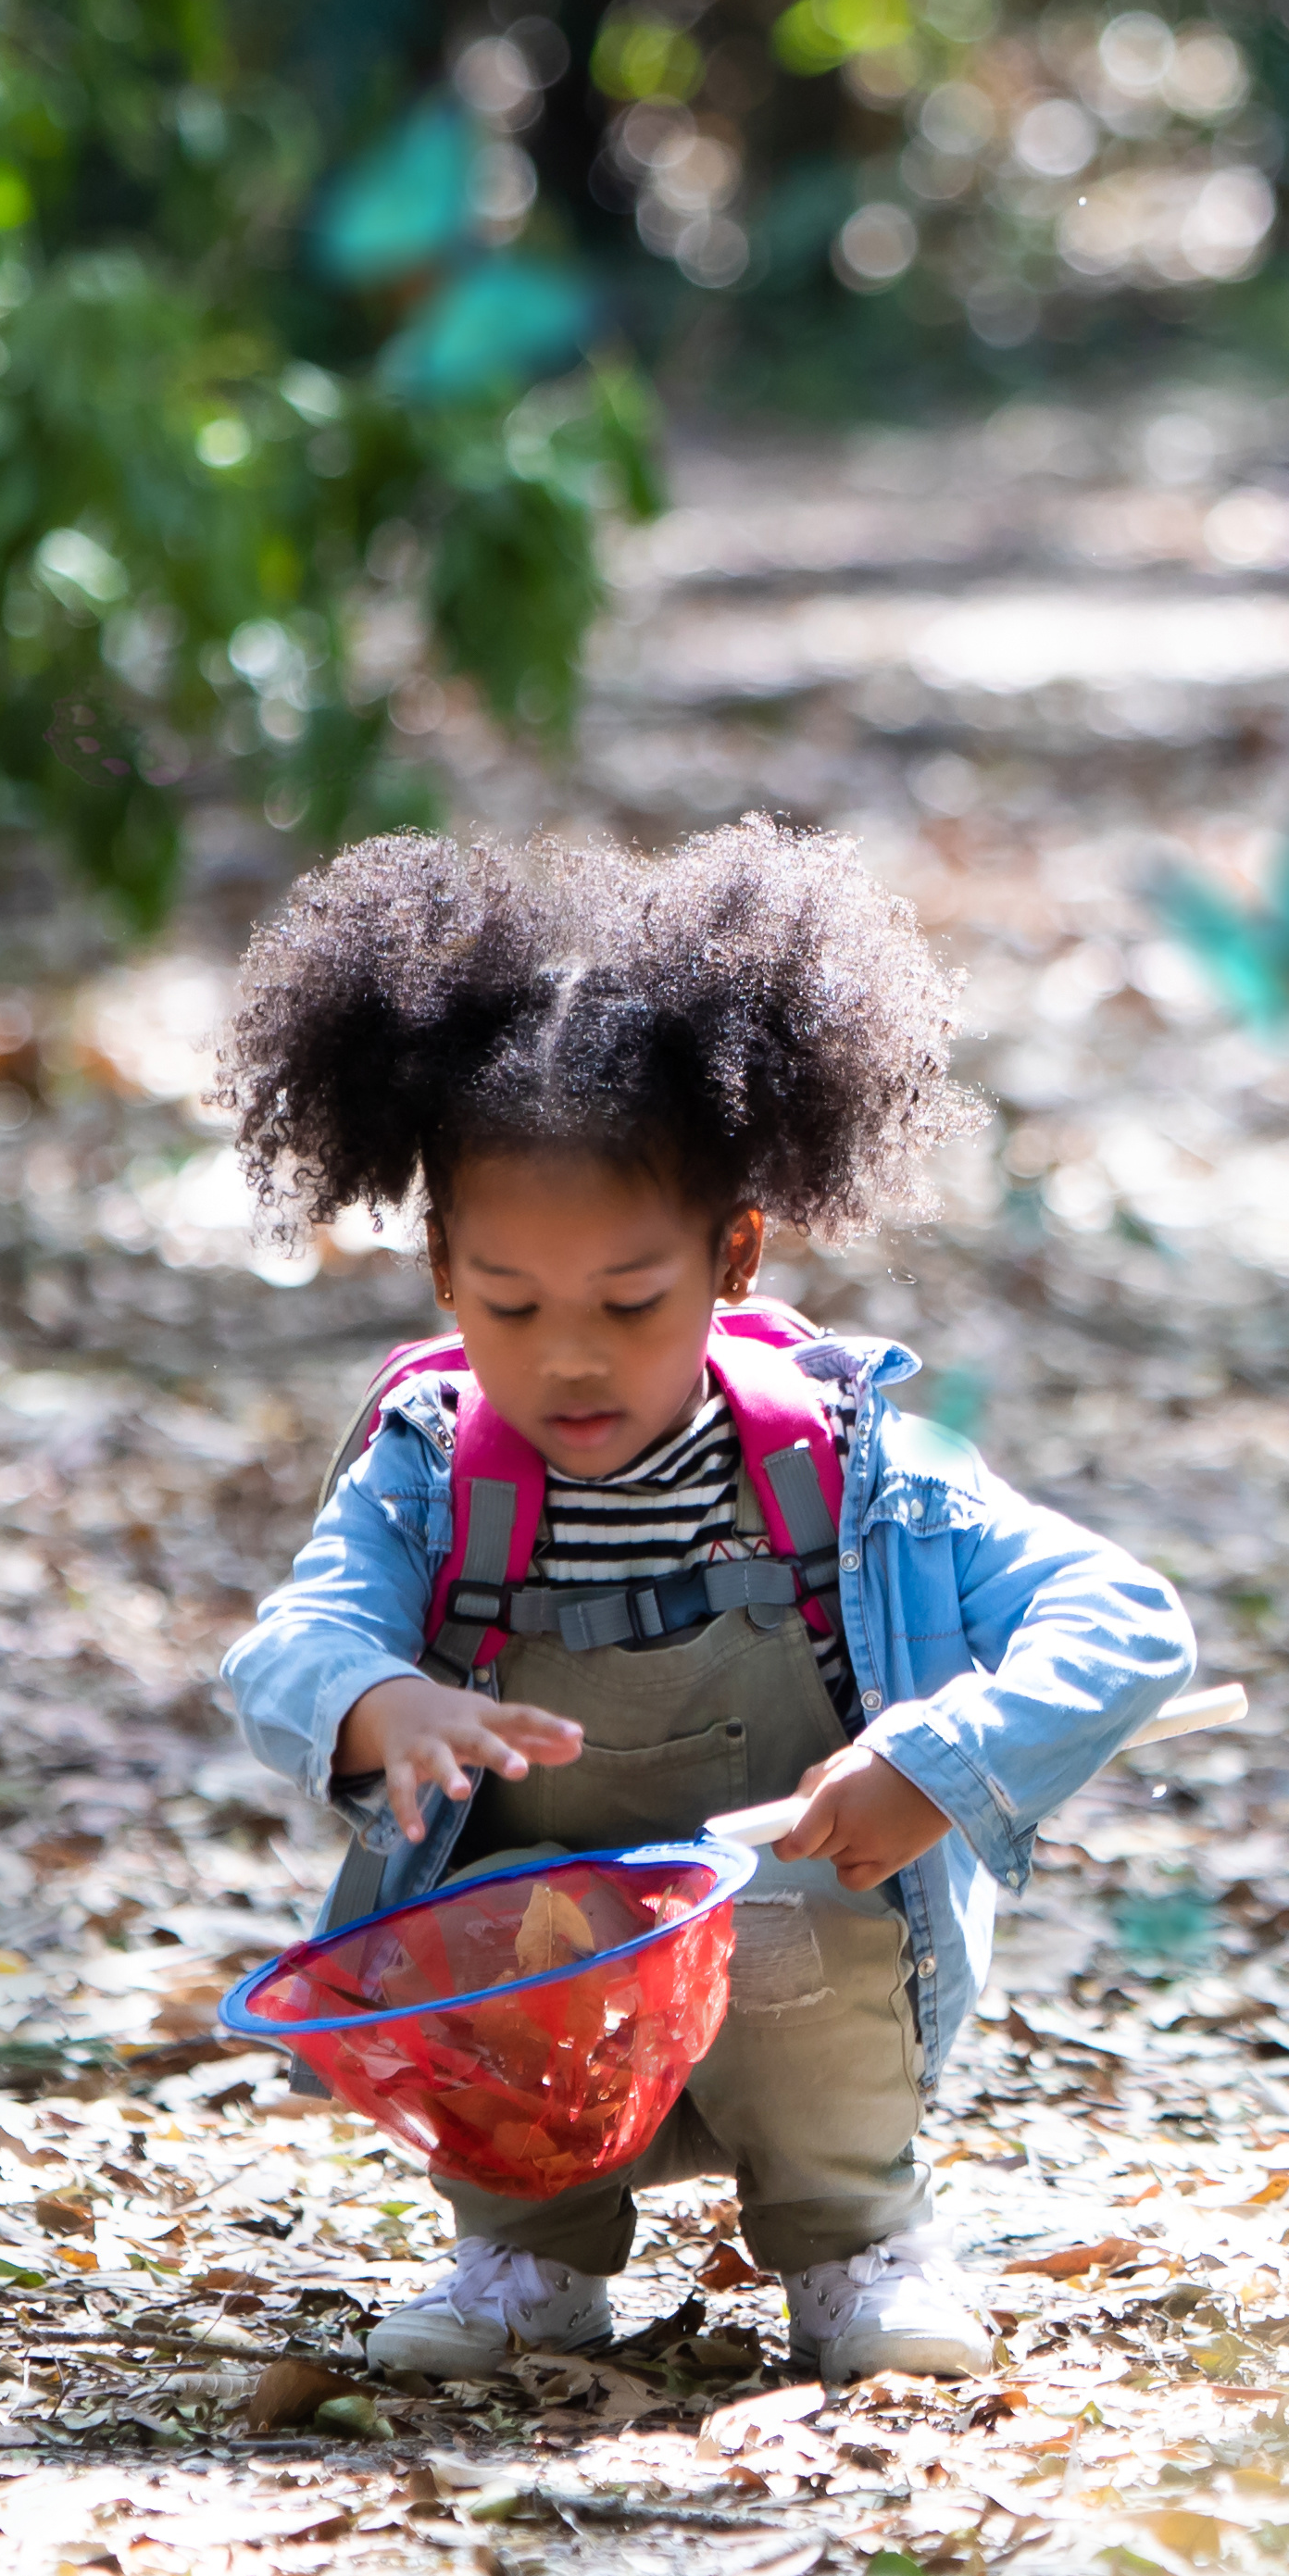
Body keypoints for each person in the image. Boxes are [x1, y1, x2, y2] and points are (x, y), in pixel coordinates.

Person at [212, 823, 1197, 2382]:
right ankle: (525, 2260)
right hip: (535, 2000)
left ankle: (857, 2245)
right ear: (443, 1279)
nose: (572, 1358)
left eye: (629, 1300)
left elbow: (1128, 1620)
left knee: (803, 1919)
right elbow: (289, 1643)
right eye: (512, 1306)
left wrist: (938, 1762)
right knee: (491, 1934)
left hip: (783, 1951)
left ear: (733, 1253)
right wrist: (371, 1700)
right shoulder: (425, 1465)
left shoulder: (858, 1462)